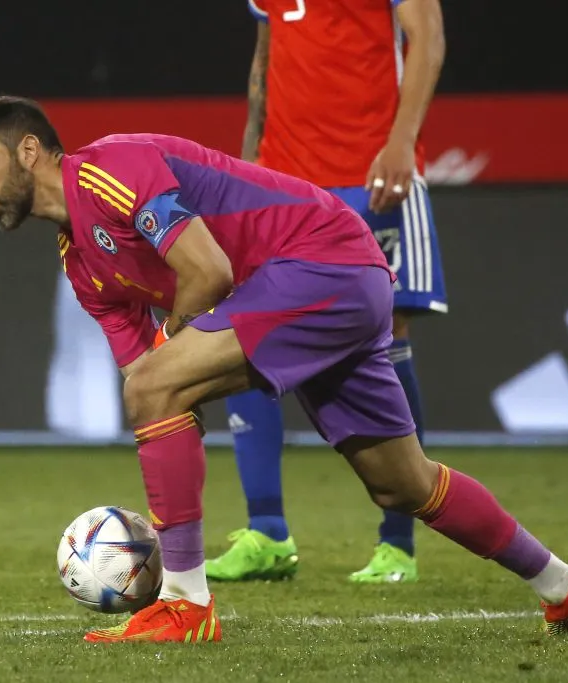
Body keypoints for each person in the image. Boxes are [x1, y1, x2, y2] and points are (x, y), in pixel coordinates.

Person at [0, 95, 568, 644]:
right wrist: (169, 384)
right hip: (327, 290)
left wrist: (169, 371)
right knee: (403, 483)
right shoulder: (81, 264)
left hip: (322, 260)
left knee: (157, 382)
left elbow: (206, 273)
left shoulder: (112, 167)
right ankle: (565, 586)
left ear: (29, 150)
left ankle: (185, 602)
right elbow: (150, 382)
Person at [208, 0, 449, 585]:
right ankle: (267, 532)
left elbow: (429, 39)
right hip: (284, 179)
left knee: (388, 334)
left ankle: (398, 541)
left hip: (371, 172)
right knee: (242, 331)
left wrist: (402, 141)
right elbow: (266, 59)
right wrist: (247, 163)